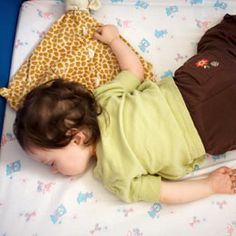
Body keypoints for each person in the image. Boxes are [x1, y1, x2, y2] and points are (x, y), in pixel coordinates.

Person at [14, 14, 236, 204]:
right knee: (220, 44)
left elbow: (166, 193)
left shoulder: (115, 176)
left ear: (77, 138)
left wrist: (210, 186)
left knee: (220, 48)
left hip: (204, 120)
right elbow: (133, 71)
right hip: (196, 92)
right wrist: (115, 40)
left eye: (52, 162)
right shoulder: (103, 99)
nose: (53, 170)